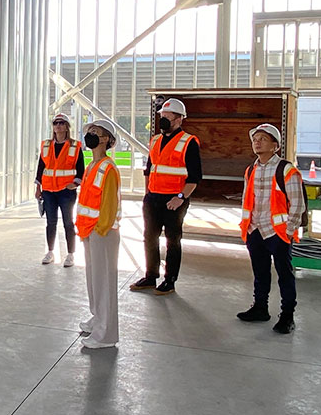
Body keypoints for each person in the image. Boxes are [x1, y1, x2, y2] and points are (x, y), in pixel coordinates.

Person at [236, 123, 305, 334]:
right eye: (255, 139)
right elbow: (247, 199)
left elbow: (297, 204)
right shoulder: (251, 170)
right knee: (260, 272)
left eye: (263, 139)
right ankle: (260, 308)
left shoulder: (286, 170)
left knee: (285, 274)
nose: (257, 142)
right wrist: (248, 227)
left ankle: (287, 315)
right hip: (255, 230)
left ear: (275, 146)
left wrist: (288, 230)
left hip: (278, 233)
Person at [131, 97, 200, 296]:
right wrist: (147, 194)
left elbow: (195, 177)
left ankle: (170, 280)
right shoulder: (155, 140)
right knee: (149, 237)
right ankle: (151, 276)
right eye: (162, 116)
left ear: (179, 120)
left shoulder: (189, 142)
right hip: (153, 198)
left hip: (174, 199)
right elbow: (149, 169)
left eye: (168, 117)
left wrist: (180, 197)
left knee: (172, 240)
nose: (163, 120)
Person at [75, 119, 122, 350]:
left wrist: (99, 230)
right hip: (90, 231)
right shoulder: (92, 165)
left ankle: (106, 335)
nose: (90, 135)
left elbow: (109, 205)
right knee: (94, 280)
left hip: (102, 232)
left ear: (106, 139)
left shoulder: (107, 167)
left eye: (95, 132)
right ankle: (97, 319)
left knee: (104, 283)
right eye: (89, 132)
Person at [35, 112, 85, 267]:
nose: (58, 125)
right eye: (55, 123)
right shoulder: (46, 145)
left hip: (66, 191)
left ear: (66, 126)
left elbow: (81, 169)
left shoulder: (75, 146)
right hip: (49, 190)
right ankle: (50, 252)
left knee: (68, 222)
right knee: (51, 222)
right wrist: (38, 188)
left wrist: (75, 184)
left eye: (61, 123)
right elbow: (41, 168)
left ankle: (70, 254)